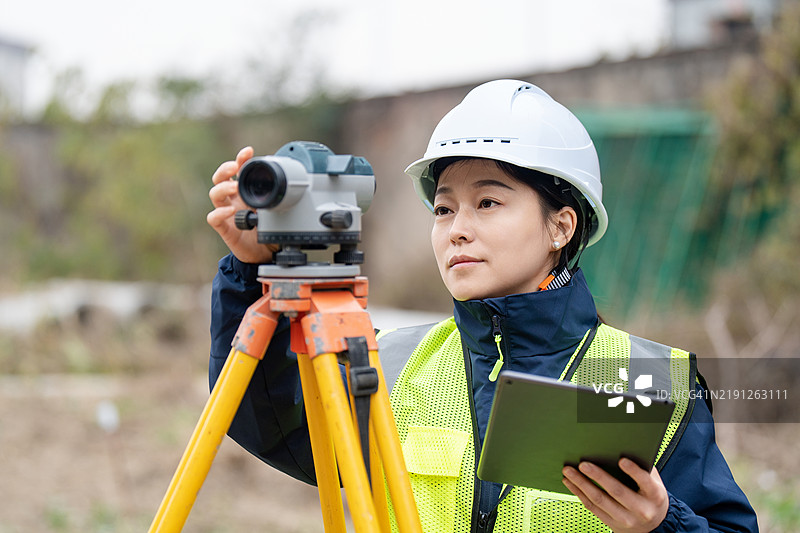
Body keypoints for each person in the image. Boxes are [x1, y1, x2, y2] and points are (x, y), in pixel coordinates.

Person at [206, 80, 758, 532]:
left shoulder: (649, 379)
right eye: (444, 210)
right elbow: (269, 420)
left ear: (561, 226)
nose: (457, 230)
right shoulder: (391, 364)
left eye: (488, 202)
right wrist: (253, 270)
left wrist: (662, 525)